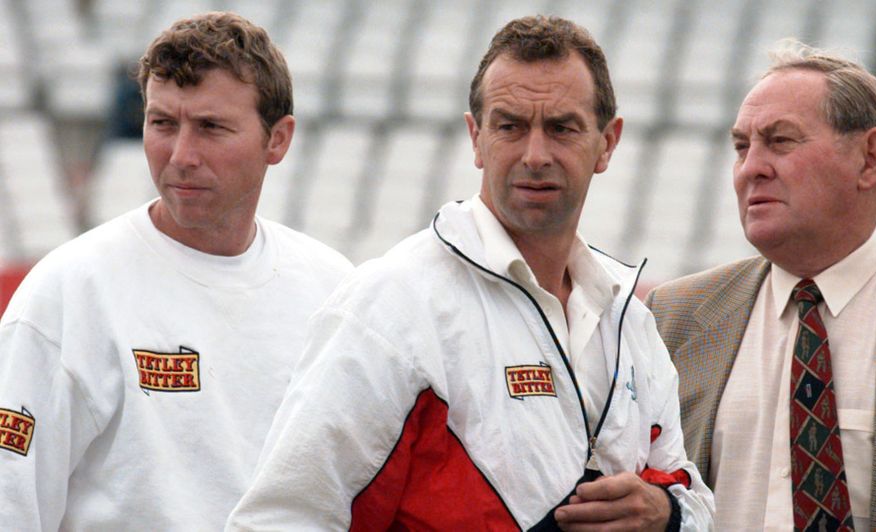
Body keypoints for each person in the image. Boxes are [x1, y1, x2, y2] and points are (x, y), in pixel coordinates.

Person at [226, 15, 713, 531]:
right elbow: (282, 518)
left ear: (607, 143)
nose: (535, 154)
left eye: (562, 128)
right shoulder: (394, 303)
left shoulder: (626, 318)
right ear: (475, 137)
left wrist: (666, 514)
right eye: (510, 126)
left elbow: (697, 499)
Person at [0, 12, 352, 530]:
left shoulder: (333, 289)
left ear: (278, 140)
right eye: (163, 123)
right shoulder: (69, 291)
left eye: (211, 127)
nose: (181, 155)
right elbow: (12, 498)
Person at [646, 39, 876, 531]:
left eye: (780, 141)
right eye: (742, 146)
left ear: (870, 158)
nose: (750, 168)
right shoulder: (672, 316)